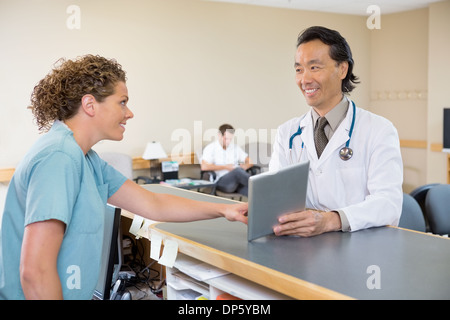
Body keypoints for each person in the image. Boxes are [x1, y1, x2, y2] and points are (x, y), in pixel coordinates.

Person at [0, 55, 248, 300]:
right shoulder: (59, 157)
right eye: (122, 102)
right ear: (90, 105)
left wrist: (225, 210)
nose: (129, 113)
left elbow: (154, 204)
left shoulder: (86, 159)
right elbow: (35, 273)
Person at [269, 26, 403, 238]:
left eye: (314, 68)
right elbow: (274, 197)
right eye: (298, 69)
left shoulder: (378, 130)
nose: (304, 80)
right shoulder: (287, 133)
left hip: (358, 247)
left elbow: (388, 204)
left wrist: (331, 220)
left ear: (342, 69)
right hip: (301, 249)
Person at [201, 124, 253, 196]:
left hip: (237, 183)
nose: (228, 141)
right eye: (226, 138)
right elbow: (204, 167)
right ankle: (259, 184)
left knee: (254, 193)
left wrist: (245, 166)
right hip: (222, 182)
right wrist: (225, 167)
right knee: (238, 171)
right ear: (219, 135)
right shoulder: (211, 148)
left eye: (230, 139)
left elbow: (250, 161)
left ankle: (262, 194)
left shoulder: (235, 148)